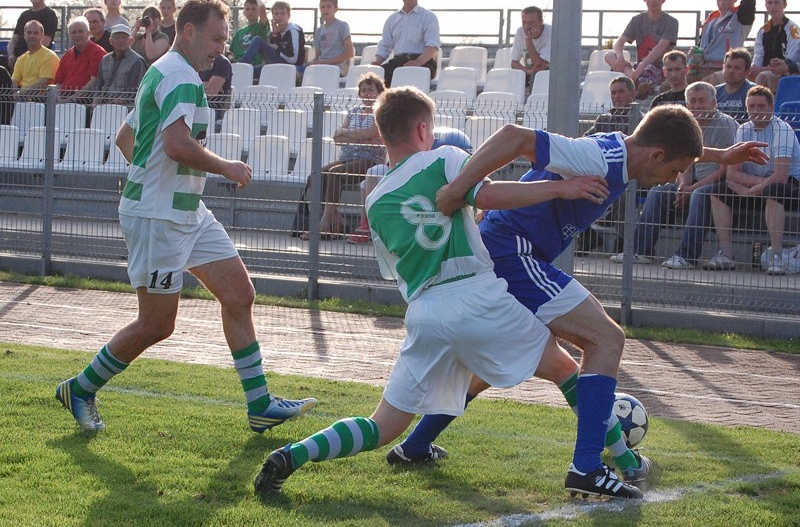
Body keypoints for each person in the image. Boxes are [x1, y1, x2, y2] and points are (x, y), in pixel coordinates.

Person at [254, 85, 646, 500]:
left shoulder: (376, 198)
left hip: (424, 312)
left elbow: (399, 264)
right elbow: (490, 195)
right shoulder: (445, 158)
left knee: (382, 426)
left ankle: (291, 456)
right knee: (571, 371)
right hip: (477, 296)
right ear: (424, 128)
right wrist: (558, 188)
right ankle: (613, 465)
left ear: (382, 135)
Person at [386, 106, 769, 482]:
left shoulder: (619, 152)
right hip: (512, 252)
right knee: (605, 338)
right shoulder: (600, 157)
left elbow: (662, 141)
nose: (673, 179)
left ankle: (415, 445)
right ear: (656, 155)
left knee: (493, 365)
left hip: (511, 250)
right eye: (674, 169)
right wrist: (456, 190)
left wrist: (720, 155)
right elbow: (513, 136)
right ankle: (588, 465)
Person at [55, 0, 316, 434]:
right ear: (189, 30)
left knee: (239, 295)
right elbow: (175, 145)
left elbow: (126, 137)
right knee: (157, 324)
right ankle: (80, 388)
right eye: (216, 38)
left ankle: (260, 405)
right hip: (159, 218)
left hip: (185, 210)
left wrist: (152, 178)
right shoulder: (179, 75)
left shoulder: (165, 71)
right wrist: (225, 167)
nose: (222, 49)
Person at [610, 82, 738, 268]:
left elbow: (726, 169)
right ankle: (639, 250)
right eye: (692, 101)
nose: (697, 106)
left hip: (719, 184)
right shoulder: (687, 126)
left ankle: (686, 256)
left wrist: (691, 188)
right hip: (691, 181)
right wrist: (682, 186)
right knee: (658, 192)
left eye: (702, 100)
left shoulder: (726, 126)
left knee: (699, 195)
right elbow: (683, 159)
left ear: (714, 102)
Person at [703, 85, 800, 275]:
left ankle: (777, 256)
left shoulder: (783, 130)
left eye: (762, 106)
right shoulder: (743, 130)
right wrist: (753, 186)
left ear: (772, 108)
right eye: (752, 106)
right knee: (718, 192)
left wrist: (750, 190)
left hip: (789, 184)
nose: (757, 111)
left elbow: (781, 176)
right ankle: (726, 253)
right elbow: (732, 174)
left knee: (774, 190)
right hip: (757, 182)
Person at [300, 72, 386, 240]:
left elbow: (370, 132)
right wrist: (362, 137)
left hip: (370, 160)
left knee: (335, 173)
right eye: (364, 90)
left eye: (371, 90)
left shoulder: (380, 112)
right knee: (315, 176)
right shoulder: (353, 111)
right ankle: (338, 221)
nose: (367, 94)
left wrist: (348, 134)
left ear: (379, 92)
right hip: (347, 158)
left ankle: (324, 224)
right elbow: (337, 139)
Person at [580, 75, 640, 253]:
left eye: (621, 92)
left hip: (630, 173)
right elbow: (585, 141)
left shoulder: (641, 120)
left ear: (632, 94)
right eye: (613, 93)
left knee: (622, 191)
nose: (617, 96)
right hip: (602, 171)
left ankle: (623, 240)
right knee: (577, 186)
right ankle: (588, 235)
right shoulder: (604, 120)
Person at [604, 0, 679, 99]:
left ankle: (635, 82)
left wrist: (641, 67)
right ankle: (634, 79)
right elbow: (619, 42)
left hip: (658, 66)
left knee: (648, 71)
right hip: (638, 68)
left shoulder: (671, 22)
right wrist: (620, 58)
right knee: (609, 56)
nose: (653, 0)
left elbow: (661, 47)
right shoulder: (636, 20)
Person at [372, 0, 440, 86]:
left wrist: (417, 62)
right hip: (398, 61)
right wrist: (377, 62)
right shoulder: (392, 19)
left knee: (408, 76)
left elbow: (433, 45)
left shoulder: (428, 17)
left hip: (423, 62)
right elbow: (385, 44)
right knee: (375, 80)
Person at [691, 0, 755, 83]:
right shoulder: (710, 20)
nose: (721, 3)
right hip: (702, 67)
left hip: (724, 67)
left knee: (701, 86)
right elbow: (702, 46)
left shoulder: (741, 17)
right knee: (670, 84)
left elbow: (749, 1)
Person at [748, 0, 800, 92]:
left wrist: (763, 69)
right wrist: (754, 68)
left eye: (776, 2)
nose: (773, 6)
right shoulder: (762, 31)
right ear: (765, 5)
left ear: (784, 5)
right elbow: (758, 56)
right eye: (770, 2)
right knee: (737, 74)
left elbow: (791, 60)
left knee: (761, 77)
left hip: (787, 74)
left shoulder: (793, 30)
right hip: (767, 72)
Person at [238, 1, 305, 73]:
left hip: (291, 66)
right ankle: (240, 71)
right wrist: (274, 34)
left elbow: (293, 59)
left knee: (258, 40)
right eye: (276, 14)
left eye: (282, 13)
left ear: (288, 15)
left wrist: (277, 49)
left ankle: (242, 67)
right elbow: (271, 48)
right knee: (252, 72)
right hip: (277, 63)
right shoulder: (277, 31)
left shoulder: (293, 30)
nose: (279, 16)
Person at [93, 24, 146, 107]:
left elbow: (135, 90)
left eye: (124, 37)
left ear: (130, 40)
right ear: (111, 41)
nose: (120, 40)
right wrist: (96, 98)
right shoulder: (105, 59)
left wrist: (120, 100)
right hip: (103, 106)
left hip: (126, 108)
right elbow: (99, 84)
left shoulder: (137, 61)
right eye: (117, 37)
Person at [55, 17, 107, 101]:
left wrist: (72, 99)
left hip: (85, 99)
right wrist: (58, 98)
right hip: (64, 98)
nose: (77, 35)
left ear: (88, 33)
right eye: (73, 32)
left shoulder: (97, 52)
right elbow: (58, 81)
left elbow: (94, 81)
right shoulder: (67, 55)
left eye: (80, 31)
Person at [3, 0, 58, 71]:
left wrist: (24, 58)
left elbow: (45, 42)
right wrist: (11, 55)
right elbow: (14, 40)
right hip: (16, 60)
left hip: (35, 60)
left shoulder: (49, 14)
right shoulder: (24, 15)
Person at [307, 0, 354, 77]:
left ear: (336, 9)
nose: (325, 9)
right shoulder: (319, 30)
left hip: (337, 68)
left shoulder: (342, 26)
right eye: (323, 7)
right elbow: (317, 55)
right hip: (322, 67)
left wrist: (324, 63)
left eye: (329, 6)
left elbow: (349, 53)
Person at [10, 20, 59, 97]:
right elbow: (14, 82)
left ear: (42, 35)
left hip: (41, 101)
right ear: (24, 35)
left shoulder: (49, 56)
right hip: (22, 101)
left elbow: (43, 83)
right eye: (29, 33)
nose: (32, 36)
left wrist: (20, 94)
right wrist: (11, 94)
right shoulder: (21, 59)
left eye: (36, 33)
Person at [510, 6, 552, 87]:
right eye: (524, 22)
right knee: (512, 77)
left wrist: (529, 40)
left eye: (531, 23)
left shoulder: (550, 33)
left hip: (548, 73)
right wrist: (528, 71)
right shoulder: (520, 32)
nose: (526, 27)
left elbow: (539, 65)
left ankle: (534, 99)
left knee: (536, 76)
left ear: (541, 22)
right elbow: (514, 63)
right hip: (531, 70)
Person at [715, 47, 756, 123]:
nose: (731, 71)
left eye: (737, 68)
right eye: (728, 67)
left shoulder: (754, 92)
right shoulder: (715, 92)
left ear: (747, 71)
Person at [228, 0, 270, 64]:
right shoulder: (239, 32)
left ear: (258, 11)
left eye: (253, 9)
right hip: (238, 65)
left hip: (253, 66)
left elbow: (262, 9)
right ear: (244, 12)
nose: (250, 11)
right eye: (247, 9)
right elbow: (232, 53)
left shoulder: (260, 27)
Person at [199, 53, 232, 121]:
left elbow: (211, 91)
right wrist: (204, 84)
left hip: (212, 108)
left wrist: (195, 83)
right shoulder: (196, 60)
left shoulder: (222, 62)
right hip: (196, 103)